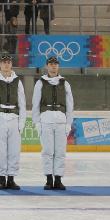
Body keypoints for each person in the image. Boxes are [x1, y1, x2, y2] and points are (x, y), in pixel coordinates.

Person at [31, 56, 73, 191]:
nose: (53, 66)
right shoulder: (41, 83)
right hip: (46, 119)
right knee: (47, 151)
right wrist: (36, 121)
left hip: (61, 120)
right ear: (46, 66)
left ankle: (59, 179)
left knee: (60, 151)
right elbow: (35, 104)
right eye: (51, 64)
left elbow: (70, 105)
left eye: (55, 64)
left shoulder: (64, 83)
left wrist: (68, 123)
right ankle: (49, 179)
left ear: (58, 66)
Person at [0, 54, 25, 190]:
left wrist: (22, 121)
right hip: (0, 117)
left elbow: (22, 103)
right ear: (0, 64)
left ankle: (12, 178)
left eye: (9, 62)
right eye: (4, 62)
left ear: (11, 64)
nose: (7, 64)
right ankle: (2, 178)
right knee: (0, 150)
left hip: (14, 117)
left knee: (14, 150)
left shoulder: (17, 81)